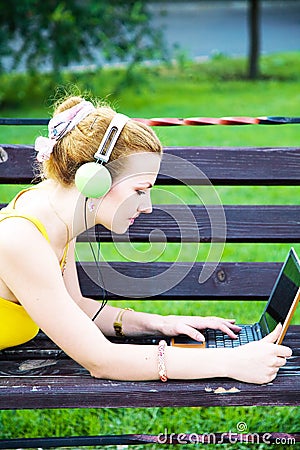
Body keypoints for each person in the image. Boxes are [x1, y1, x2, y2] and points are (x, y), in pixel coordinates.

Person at [0, 95, 292, 384]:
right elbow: (102, 360)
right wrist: (231, 361)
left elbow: (76, 306)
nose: (147, 206)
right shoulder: (22, 239)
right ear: (94, 180)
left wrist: (162, 325)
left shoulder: (55, 213)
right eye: (140, 189)